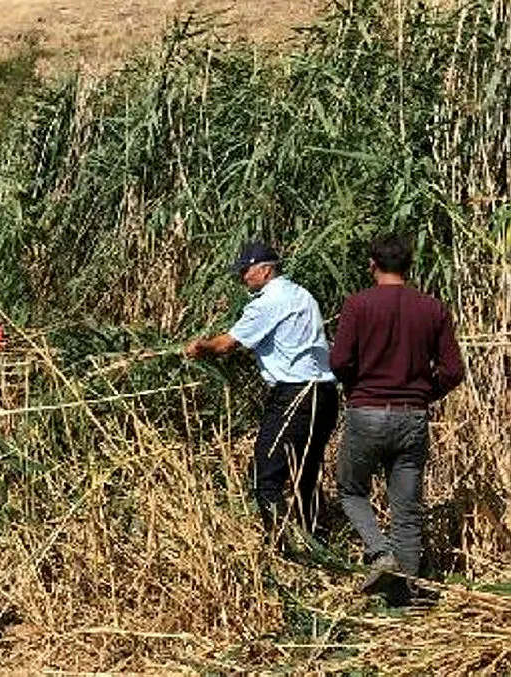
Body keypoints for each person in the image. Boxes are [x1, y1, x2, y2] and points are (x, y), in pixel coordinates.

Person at [330, 234, 464, 602]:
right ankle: (405, 597)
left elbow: (339, 361)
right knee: (406, 508)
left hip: (366, 412)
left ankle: (381, 552)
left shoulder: (358, 305)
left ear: (373, 264)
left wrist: (359, 388)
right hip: (413, 417)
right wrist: (423, 393)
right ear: (410, 265)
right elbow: (453, 371)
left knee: (352, 491)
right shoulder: (433, 308)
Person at [184, 242, 338, 538]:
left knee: (265, 476)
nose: (243, 278)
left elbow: (226, 344)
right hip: (325, 394)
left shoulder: (269, 300)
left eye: (246, 271)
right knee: (305, 473)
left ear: (265, 270)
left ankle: (283, 545)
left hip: (295, 395)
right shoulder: (301, 294)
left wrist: (200, 347)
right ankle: (315, 539)